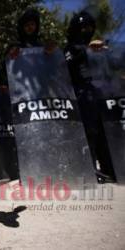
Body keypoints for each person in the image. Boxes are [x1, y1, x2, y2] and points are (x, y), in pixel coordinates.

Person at [64, 11, 116, 183]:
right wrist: (86, 51)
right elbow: (66, 67)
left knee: (105, 131)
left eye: (89, 28)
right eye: (83, 27)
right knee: (89, 132)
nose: (86, 31)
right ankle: (89, 168)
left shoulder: (99, 48)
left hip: (102, 94)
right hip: (81, 94)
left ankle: (110, 168)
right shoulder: (70, 48)